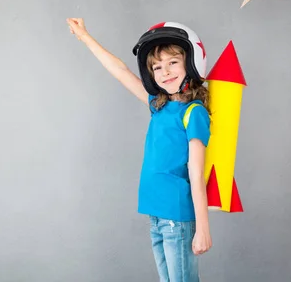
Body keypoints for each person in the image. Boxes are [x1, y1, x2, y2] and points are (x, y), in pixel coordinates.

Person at [67, 18, 212, 282]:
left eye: (172, 62)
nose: (165, 72)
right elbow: (121, 71)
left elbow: (197, 173)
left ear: (190, 63)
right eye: (157, 67)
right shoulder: (158, 106)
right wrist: (85, 36)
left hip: (177, 218)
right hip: (156, 215)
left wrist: (202, 228)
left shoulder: (194, 113)